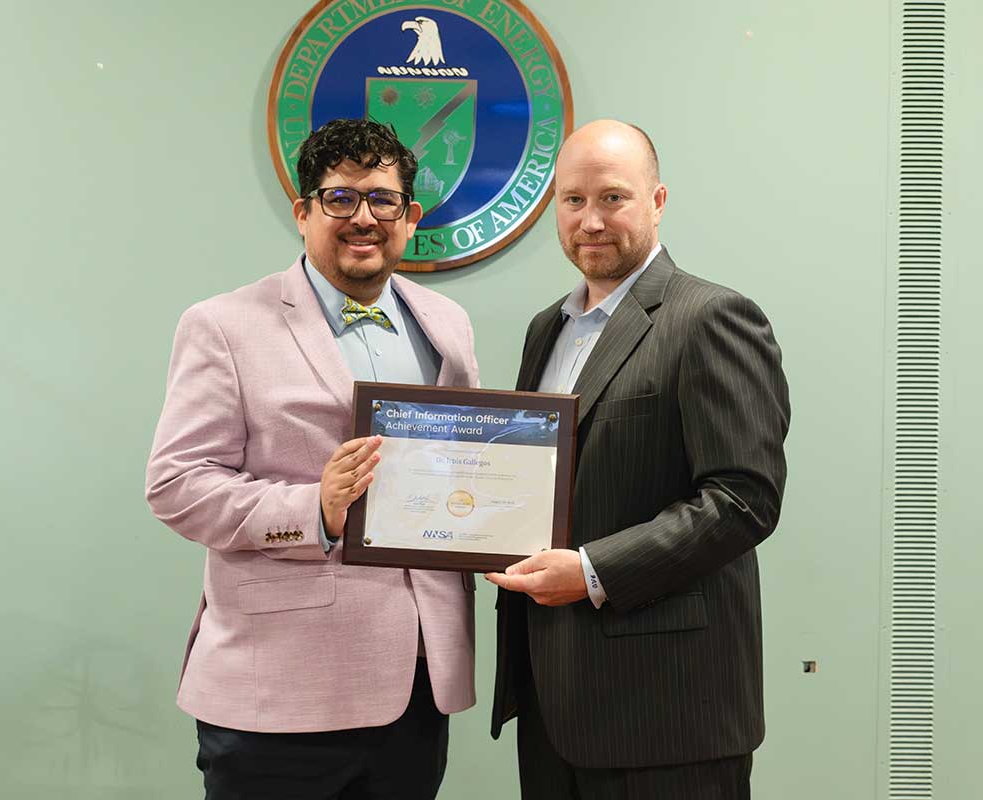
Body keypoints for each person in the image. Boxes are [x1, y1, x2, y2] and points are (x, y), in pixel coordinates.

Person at [146, 118, 477, 800]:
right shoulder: (223, 325)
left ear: (409, 218)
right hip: (278, 693)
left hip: (416, 688)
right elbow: (177, 484)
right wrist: (313, 510)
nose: (364, 217)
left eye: (383, 199)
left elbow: (460, 468)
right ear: (303, 213)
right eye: (340, 198)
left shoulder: (447, 324)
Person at [486, 119, 790, 799]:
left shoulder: (711, 317)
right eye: (572, 201)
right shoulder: (549, 329)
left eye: (613, 198)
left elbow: (744, 499)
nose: (589, 220)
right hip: (552, 701)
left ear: (657, 202)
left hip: (667, 714)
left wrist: (591, 571)